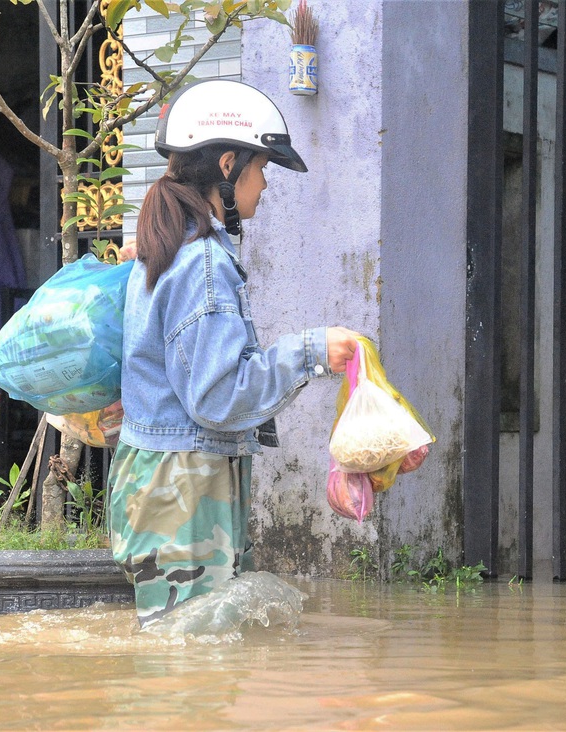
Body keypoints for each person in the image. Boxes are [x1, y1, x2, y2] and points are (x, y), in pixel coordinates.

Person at [109, 79, 362, 628]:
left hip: (168, 482)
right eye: (262, 168)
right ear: (228, 165)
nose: (266, 184)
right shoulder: (201, 262)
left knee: (189, 664)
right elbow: (219, 397)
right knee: (190, 673)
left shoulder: (170, 248)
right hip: (185, 489)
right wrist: (312, 352)